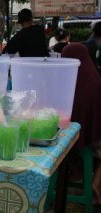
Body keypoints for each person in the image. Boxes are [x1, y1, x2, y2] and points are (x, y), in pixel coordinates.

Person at [61, 43, 101, 205]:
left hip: (70, 135)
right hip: (89, 135)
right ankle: (95, 185)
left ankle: (84, 179)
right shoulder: (94, 79)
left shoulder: (68, 79)